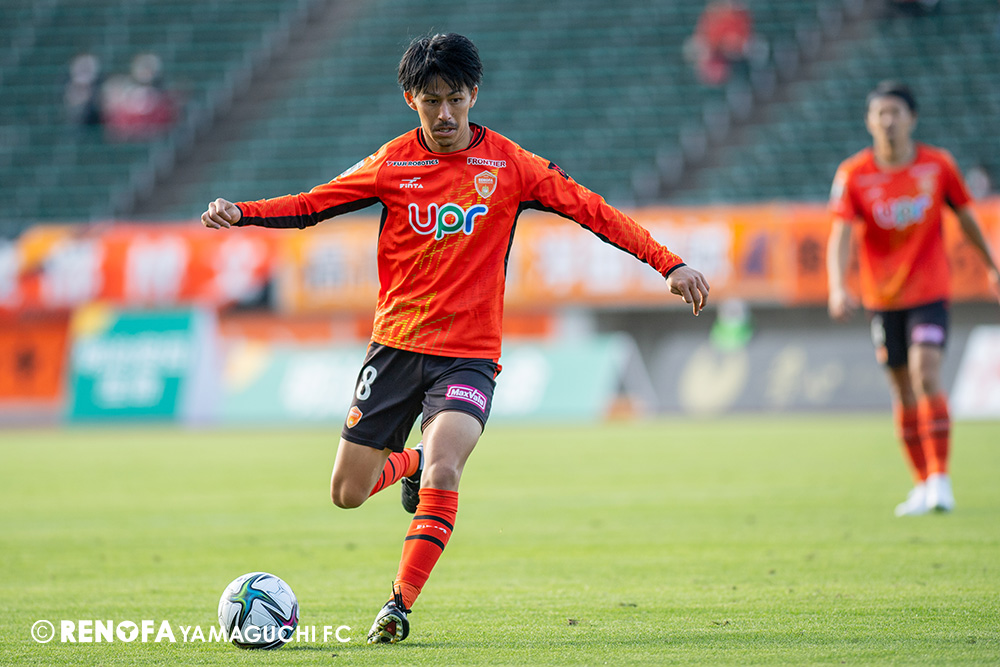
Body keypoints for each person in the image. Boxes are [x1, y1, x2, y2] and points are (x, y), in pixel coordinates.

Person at [202, 33, 710, 644]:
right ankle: (410, 463)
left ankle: (398, 605)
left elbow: (593, 210)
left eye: (455, 99)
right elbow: (313, 204)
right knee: (347, 493)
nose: (444, 115)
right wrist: (244, 212)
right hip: (395, 348)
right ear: (410, 99)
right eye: (431, 101)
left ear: (474, 94)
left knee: (447, 469)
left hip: (468, 356)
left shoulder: (511, 165)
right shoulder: (392, 163)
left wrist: (668, 263)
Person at [827, 80, 1000, 517]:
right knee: (902, 390)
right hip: (882, 297)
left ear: (912, 119)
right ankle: (922, 484)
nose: (888, 121)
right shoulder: (853, 174)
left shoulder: (938, 166)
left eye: (895, 113)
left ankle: (941, 480)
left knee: (926, 373)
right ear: (869, 122)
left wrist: (992, 265)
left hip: (929, 292)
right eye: (880, 114)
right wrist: (837, 286)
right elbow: (840, 234)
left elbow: (966, 217)